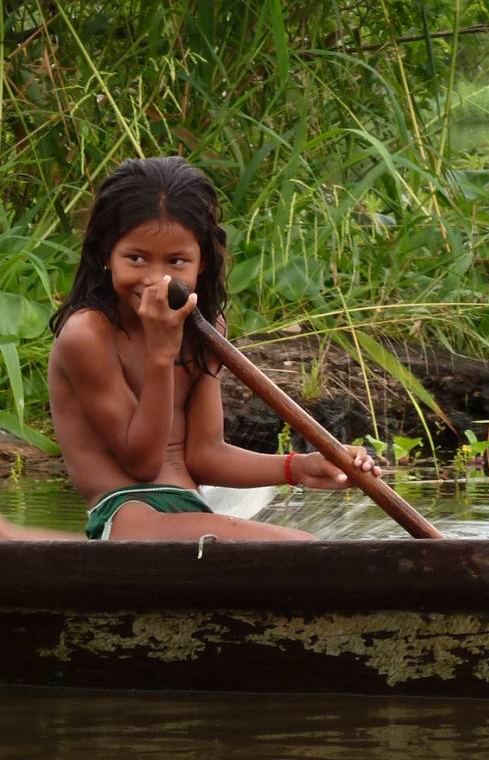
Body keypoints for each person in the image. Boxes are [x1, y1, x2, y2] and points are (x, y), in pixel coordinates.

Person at [47, 157, 381, 541]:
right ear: (106, 253)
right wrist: (160, 353)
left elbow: (204, 456)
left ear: (202, 261)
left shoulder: (205, 330)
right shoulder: (88, 334)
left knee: (311, 552)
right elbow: (141, 463)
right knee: (306, 548)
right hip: (128, 519)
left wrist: (299, 467)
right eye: (136, 258)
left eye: (176, 261)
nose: (156, 278)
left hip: (189, 513)